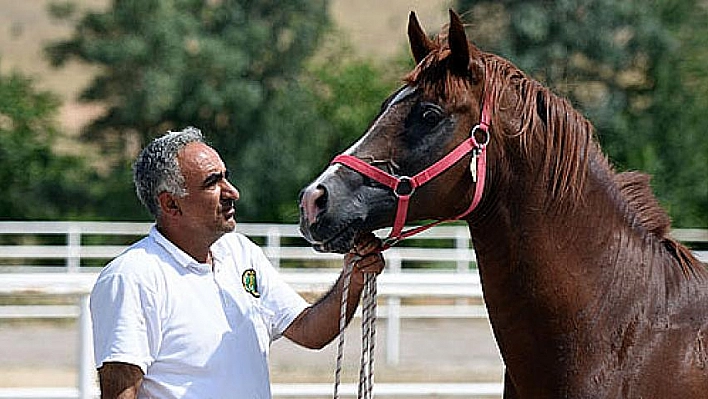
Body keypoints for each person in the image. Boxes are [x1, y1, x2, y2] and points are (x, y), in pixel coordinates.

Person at [90, 127, 385, 399]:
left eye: (225, 177)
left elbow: (309, 331)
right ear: (170, 204)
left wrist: (353, 277)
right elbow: (120, 393)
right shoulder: (132, 277)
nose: (232, 192)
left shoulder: (240, 252)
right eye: (212, 183)